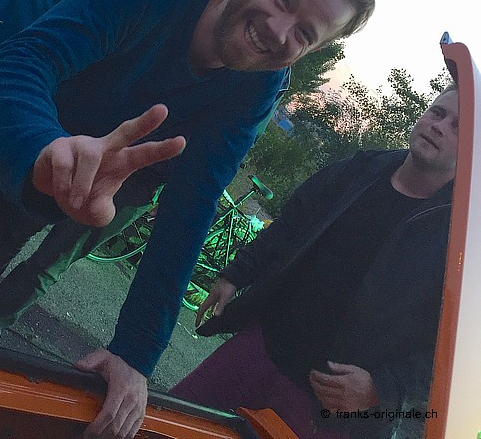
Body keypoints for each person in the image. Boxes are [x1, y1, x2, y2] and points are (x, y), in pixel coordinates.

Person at [0, 0, 375, 439]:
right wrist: (42, 144)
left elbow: (190, 210)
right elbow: (24, 61)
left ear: (314, 49)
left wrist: (135, 355)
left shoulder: (256, 89)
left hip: (61, 158)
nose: (278, 30)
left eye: (305, 33)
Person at [170, 84, 458, 439]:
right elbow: (292, 222)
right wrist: (236, 274)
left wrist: (382, 388)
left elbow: (453, 346)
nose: (439, 126)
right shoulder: (360, 170)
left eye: (458, 127)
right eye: (438, 112)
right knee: (168, 426)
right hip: (261, 348)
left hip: (327, 408)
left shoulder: (459, 240)